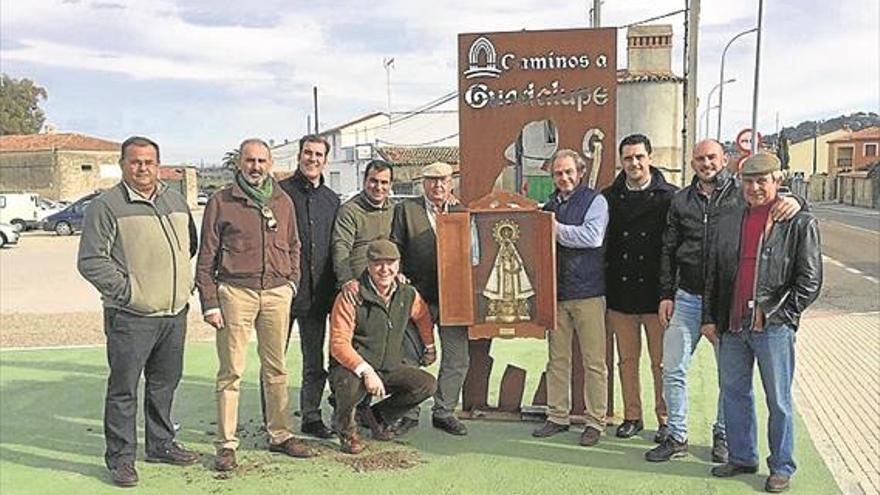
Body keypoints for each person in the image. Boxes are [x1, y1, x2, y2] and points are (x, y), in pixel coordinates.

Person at [646, 139, 802, 463]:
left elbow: (775, 203)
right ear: (692, 164)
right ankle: (676, 435)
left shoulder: (741, 194)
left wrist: (797, 200)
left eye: (712, 157)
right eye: (700, 159)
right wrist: (665, 294)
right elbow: (667, 248)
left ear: (725, 159)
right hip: (687, 296)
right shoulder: (680, 200)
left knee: (729, 377)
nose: (707, 164)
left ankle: (724, 433)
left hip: (727, 300)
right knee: (672, 367)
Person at [78, 136, 199, 487]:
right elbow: (90, 261)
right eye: (135, 162)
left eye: (149, 162)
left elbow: (188, 245)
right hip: (130, 317)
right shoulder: (106, 206)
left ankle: (160, 444)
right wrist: (131, 292)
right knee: (124, 389)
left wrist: (176, 287)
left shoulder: (175, 201)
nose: (143, 168)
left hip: (173, 314)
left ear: (158, 165)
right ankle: (120, 459)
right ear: (123, 164)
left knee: (164, 385)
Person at [703, 153, 822, 493]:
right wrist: (710, 317)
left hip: (773, 328)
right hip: (732, 324)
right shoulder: (731, 217)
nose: (754, 188)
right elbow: (714, 271)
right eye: (748, 181)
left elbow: (809, 282)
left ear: (776, 181)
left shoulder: (798, 222)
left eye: (762, 181)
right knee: (734, 393)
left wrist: (777, 314)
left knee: (778, 400)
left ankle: (781, 466)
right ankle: (742, 456)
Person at [196, 138, 314, 472]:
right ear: (239, 163)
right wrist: (209, 301)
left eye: (262, 161)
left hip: (277, 292)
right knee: (231, 371)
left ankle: (279, 435)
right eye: (250, 160)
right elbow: (206, 255)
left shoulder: (282, 201)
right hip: (235, 292)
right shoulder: (222, 201)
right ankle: (226, 444)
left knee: (276, 369)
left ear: (270, 163)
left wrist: (291, 283)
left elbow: (294, 245)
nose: (256, 167)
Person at [328, 239, 437, 454]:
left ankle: (375, 416)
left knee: (427, 385)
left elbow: (423, 315)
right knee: (348, 386)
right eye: (378, 263)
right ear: (368, 265)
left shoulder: (408, 293)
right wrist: (366, 371)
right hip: (352, 368)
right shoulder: (350, 296)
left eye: (391, 263)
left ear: (398, 265)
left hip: (389, 365)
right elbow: (338, 344)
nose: (384, 269)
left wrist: (430, 345)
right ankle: (346, 430)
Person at [602, 134, 677, 442]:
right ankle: (633, 416)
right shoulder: (608, 197)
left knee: (661, 363)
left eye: (639, 157)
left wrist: (668, 292)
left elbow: (673, 250)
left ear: (650, 157)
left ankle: (665, 419)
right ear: (621, 161)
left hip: (657, 297)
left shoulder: (670, 196)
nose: (633, 163)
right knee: (627, 361)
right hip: (620, 295)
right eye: (628, 158)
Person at [532, 149, 609, 447]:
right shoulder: (550, 204)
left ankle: (595, 422)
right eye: (557, 173)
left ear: (580, 172)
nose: (563, 178)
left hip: (589, 293)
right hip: (558, 293)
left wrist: (554, 229)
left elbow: (592, 237)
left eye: (568, 172)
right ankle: (557, 416)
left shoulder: (595, 201)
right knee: (557, 360)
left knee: (593, 363)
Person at [391, 161, 469, 436]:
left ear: (451, 183)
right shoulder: (406, 210)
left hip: (455, 299)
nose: (438, 185)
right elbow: (394, 246)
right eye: (432, 180)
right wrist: (398, 274)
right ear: (423, 183)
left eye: (443, 180)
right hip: (417, 297)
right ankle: (409, 413)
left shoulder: (462, 212)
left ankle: (444, 412)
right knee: (409, 357)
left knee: (457, 358)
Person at [275, 134, 340, 439]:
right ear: (299, 155)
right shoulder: (280, 194)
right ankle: (273, 421)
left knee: (315, 362)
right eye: (308, 153)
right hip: (282, 293)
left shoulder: (332, 200)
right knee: (274, 361)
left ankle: (311, 417)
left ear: (325, 159)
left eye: (318, 154)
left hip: (318, 296)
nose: (313, 158)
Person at [331, 160, 395, 305]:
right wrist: (347, 280)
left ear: (391, 185)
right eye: (373, 181)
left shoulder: (394, 210)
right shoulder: (350, 211)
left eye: (384, 182)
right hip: (358, 287)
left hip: (387, 286)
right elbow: (341, 246)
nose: (378, 187)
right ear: (364, 181)